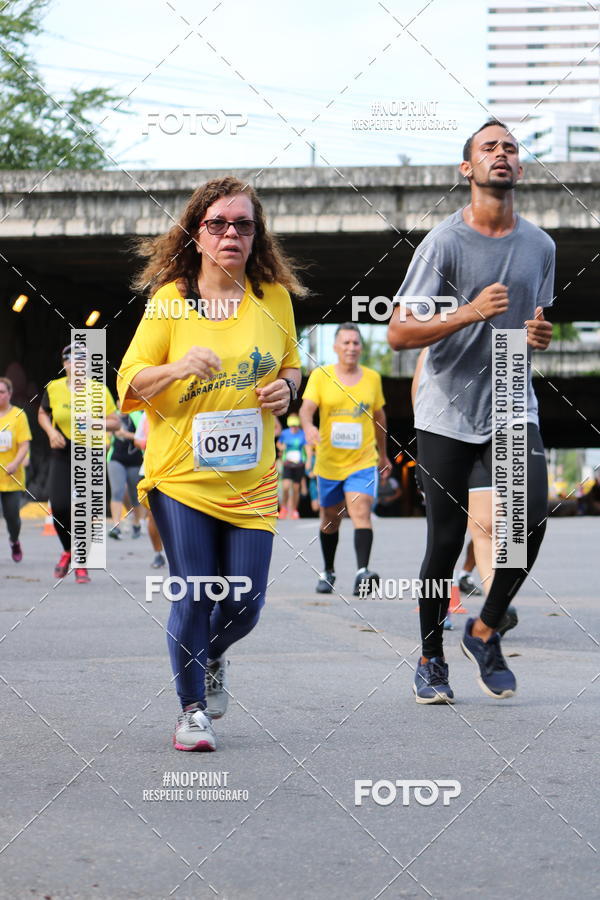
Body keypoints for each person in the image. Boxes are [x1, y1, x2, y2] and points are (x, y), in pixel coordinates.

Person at [118, 175, 304, 752]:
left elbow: (292, 365)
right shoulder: (171, 301)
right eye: (218, 224)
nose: (231, 234)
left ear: (256, 235)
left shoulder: (272, 298)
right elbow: (129, 382)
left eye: (243, 225)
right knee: (195, 591)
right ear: (197, 233)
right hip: (181, 476)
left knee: (245, 602)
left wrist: (288, 392)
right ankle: (191, 710)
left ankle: (213, 652)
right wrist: (175, 369)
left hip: (252, 477)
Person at [389, 118, 554, 704]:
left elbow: (532, 320)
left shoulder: (541, 245)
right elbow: (400, 334)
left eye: (510, 147)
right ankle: (432, 658)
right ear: (468, 169)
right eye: (489, 148)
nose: (502, 154)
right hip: (447, 407)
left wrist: (537, 335)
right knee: (446, 536)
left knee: (528, 524)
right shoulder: (444, 243)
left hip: (512, 395)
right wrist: (470, 313)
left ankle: (484, 628)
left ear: (520, 166)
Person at [300, 323, 392, 597]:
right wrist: (308, 427)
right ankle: (328, 570)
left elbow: (379, 418)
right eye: (346, 343)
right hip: (329, 462)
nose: (351, 348)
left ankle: (363, 572)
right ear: (335, 347)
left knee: (360, 511)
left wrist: (383, 454)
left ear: (361, 348)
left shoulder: (373, 378)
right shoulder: (321, 375)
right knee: (330, 519)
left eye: (356, 343)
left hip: (362, 460)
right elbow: (306, 410)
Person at [38, 344, 119, 584]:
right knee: (61, 506)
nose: (77, 364)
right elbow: (42, 413)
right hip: (63, 452)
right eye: (71, 359)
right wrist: (51, 432)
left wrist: (96, 421)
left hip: (91, 452)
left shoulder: (99, 390)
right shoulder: (53, 388)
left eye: (82, 359)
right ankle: (68, 550)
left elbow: (115, 423)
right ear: (65, 364)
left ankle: (81, 562)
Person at [0, 377, 32, 561]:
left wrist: (15, 463)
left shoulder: (18, 415)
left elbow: (24, 444)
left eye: (2, 392)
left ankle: (14, 540)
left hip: (12, 476)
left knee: (12, 517)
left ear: (10, 394)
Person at [133, 412, 166, 568]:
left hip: (179, 471)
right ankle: (158, 553)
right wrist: (145, 443)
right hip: (150, 470)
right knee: (152, 515)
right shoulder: (147, 414)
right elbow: (137, 439)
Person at [107, 408, 144, 539]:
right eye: (119, 401)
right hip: (116, 459)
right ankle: (116, 527)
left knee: (135, 495)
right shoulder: (112, 416)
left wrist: (126, 434)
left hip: (135, 460)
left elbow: (145, 437)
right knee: (117, 491)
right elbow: (105, 436)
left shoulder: (138, 415)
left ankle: (137, 523)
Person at [276, 414, 306, 519]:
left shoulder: (302, 434)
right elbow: (278, 444)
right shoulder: (285, 433)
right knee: (286, 487)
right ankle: (284, 508)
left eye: (295, 426)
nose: (294, 428)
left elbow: (307, 448)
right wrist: (281, 447)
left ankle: (294, 510)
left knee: (296, 488)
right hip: (288, 464)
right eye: (292, 426)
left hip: (299, 464)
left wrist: (308, 462)